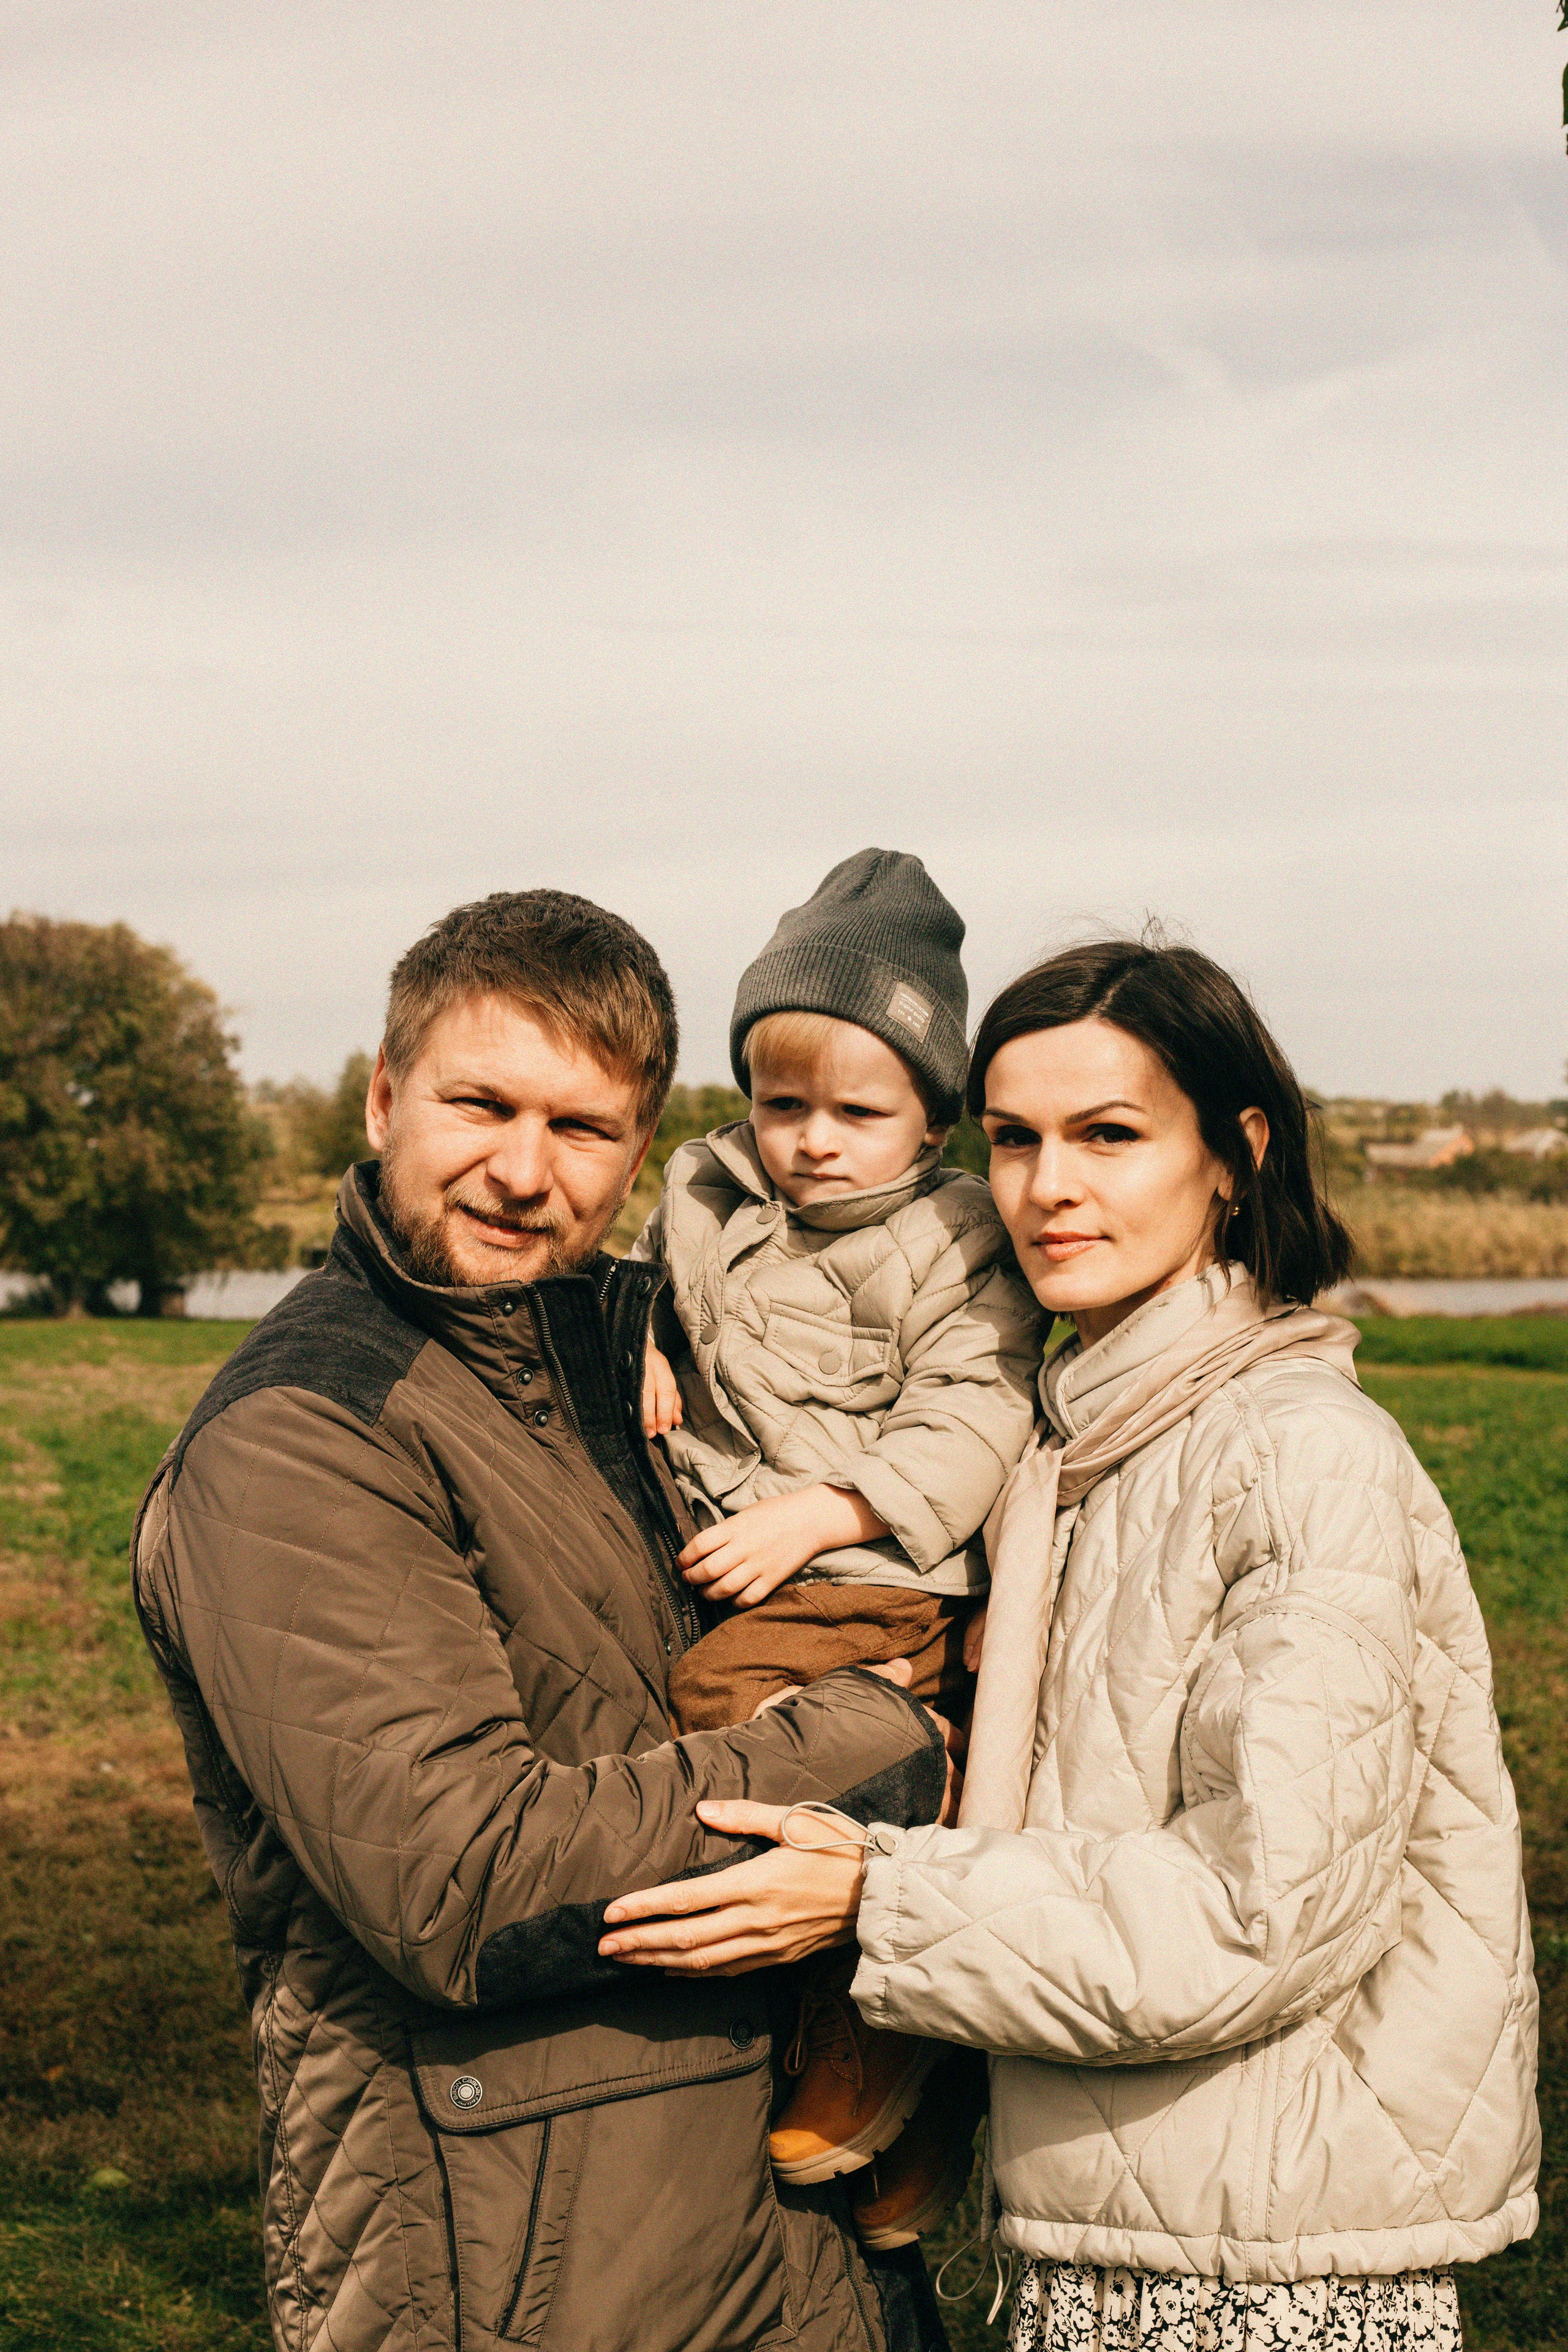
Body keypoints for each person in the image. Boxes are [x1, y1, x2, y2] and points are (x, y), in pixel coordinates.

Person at [596, 938, 1540, 2352]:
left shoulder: (1292, 1458)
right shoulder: (1073, 1442)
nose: (1047, 1188)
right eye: (1015, 1139)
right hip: (1120, 2216)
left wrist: (877, 1899)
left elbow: (1256, 1913)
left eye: (1108, 1135)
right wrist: (648, 1327)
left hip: (1266, 2270)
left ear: (1234, 1153)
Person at [131, 889, 962, 2352]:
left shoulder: (614, 1356)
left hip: (769, 2235)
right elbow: (467, 1877)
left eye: (580, 1131)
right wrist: (881, 1745)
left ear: (641, 1152)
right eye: (479, 1104)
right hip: (519, 2268)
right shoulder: (306, 1437)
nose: (523, 1172)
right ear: (386, 1096)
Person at [630, 849, 1042, 2239]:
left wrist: (830, 1510)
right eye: (779, 1101)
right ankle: (914, 2101)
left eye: (856, 1112)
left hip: (880, 1571)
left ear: (928, 1119)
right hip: (746, 1537)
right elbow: (646, 1277)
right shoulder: (704, 1191)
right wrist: (633, 1341)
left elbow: (973, 1408)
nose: (811, 1139)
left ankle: (865, 2015)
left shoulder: (952, 1235)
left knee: (736, 1721)